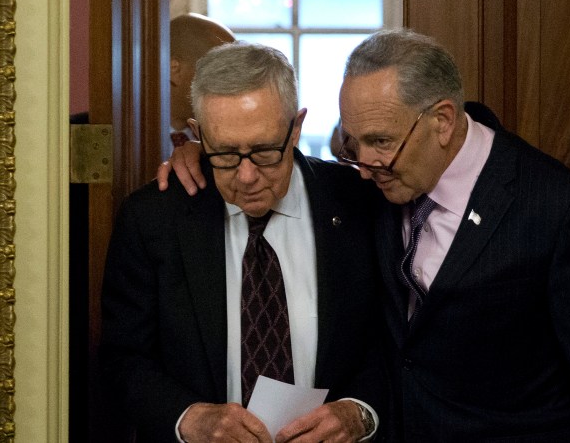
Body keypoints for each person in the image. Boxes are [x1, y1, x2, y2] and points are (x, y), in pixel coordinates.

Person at [159, 29, 570, 442]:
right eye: (353, 142)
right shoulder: (373, 188)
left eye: (381, 142)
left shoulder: (561, 211)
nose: (365, 162)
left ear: (442, 121)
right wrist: (204, 155)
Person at [100, 41, 388, 442]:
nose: (247, 176)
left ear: (297, 127)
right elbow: (121, 360)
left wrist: (361, 412)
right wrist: (188, 418)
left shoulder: (360, 203)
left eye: (266, 151)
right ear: (198, 135)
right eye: (226, 154)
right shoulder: (153, 219)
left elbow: (395, 347)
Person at [168, 13, 234, 148]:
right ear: (175, 70)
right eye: (222, 71)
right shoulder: (128, 135)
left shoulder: (227, 139)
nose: (233, 84)